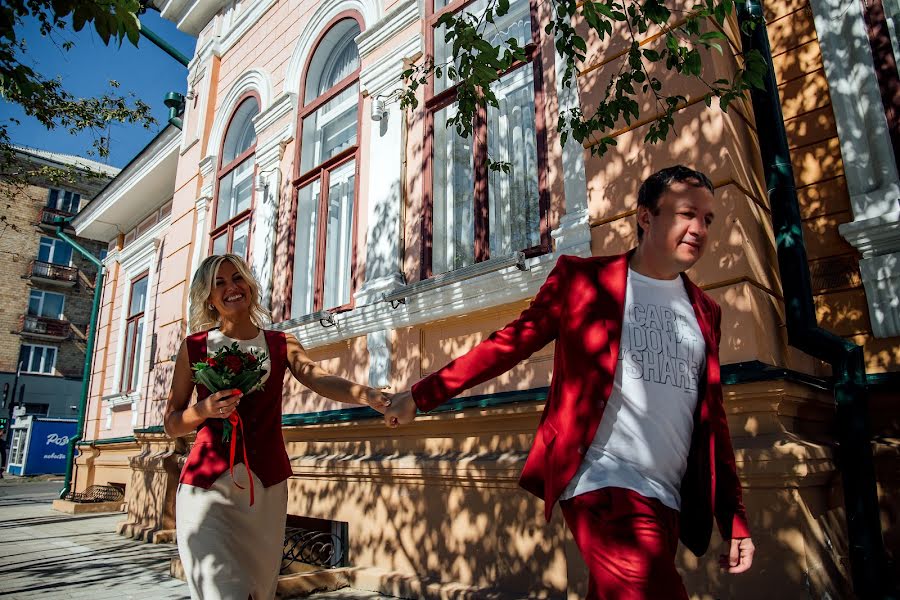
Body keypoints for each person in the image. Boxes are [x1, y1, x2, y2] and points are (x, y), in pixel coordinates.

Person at [384, 166, 755, 599]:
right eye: (686, 213)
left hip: (669, 493)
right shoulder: (583, 280)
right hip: (602, 479)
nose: (699, 229)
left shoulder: (706, 310)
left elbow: (713, 420)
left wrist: (733, 516)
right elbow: (509, 344)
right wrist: (419, 394)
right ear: (646, 217)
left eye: (707, 219)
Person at [164, 254, 390, 600]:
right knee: (220, 593)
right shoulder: (194, 348)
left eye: (236, 278)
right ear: (208, 298)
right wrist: (204, 409)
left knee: (259, 591)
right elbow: (172, 423)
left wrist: (368, 394)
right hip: (206, 488)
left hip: (264, 489)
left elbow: (320, 379)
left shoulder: (281, 343)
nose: (231, 288)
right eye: (219, 283)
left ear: (249, 285)